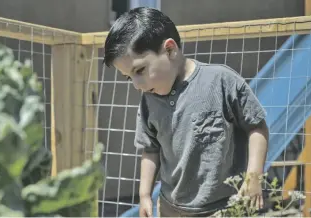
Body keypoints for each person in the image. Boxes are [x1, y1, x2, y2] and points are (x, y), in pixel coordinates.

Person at [103, 7, 269, 217]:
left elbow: (257, 126)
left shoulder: (221, 81)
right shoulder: (149, 101)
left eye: (139, 70)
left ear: (170, 50)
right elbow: (150, 149)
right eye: (129, 77)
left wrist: (254, 178)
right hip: (171, 208)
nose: (136, 84)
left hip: (224, 208)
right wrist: (144, 195)